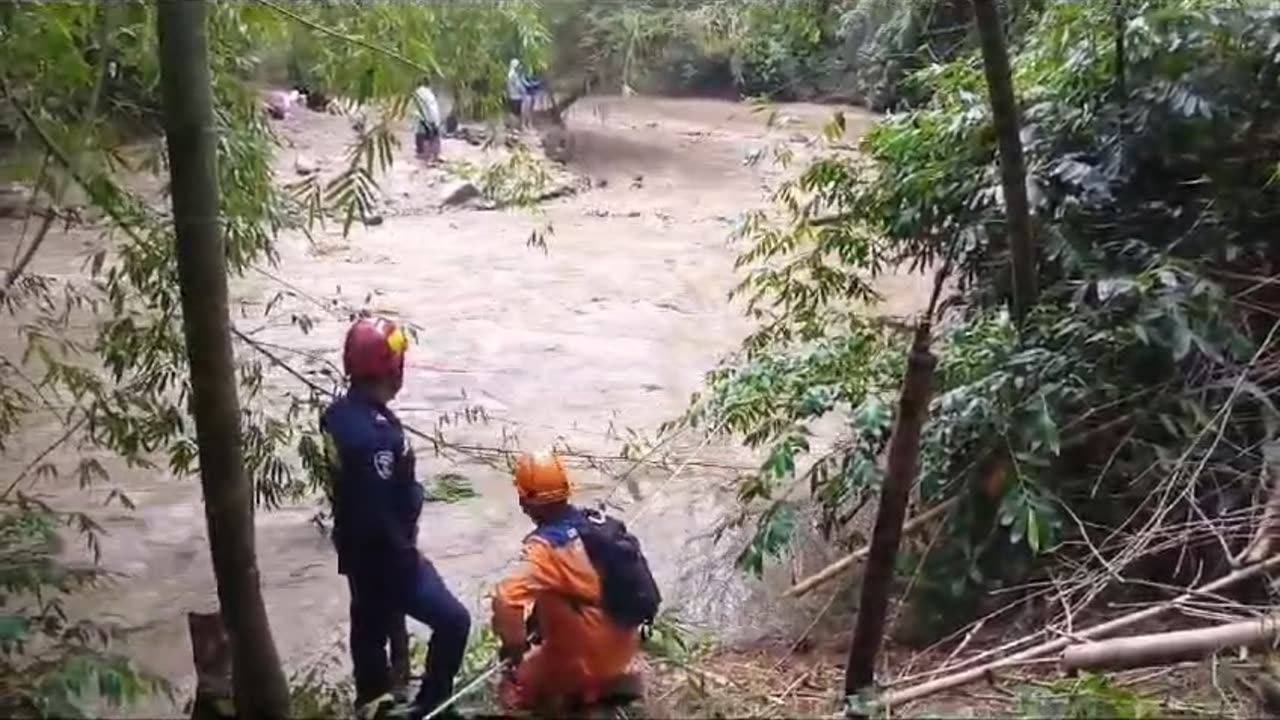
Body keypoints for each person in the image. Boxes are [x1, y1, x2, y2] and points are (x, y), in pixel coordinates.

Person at [322, 316, 471, 720]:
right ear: (391, 368)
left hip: (356, 556)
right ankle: (433, 706)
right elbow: (377, 508)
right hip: (387, 559)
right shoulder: (377, 438)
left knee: (369, 636)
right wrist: (405, 559)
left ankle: (373, 705)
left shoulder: (338, 416)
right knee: (454, 622)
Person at [491, 452, 657, 713]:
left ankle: (567, 696)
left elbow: (506, 600)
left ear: (524, 501)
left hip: (586, 660)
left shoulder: (543, 549)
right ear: (568, 490)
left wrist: (514, 648)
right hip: (625, 646)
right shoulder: (599, 525)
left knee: (513, 689)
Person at [412, 77, 443, 163]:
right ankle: (432, 157)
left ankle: (423, 156)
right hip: (428, 120)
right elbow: (432, 109)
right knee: (432, 137)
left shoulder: (415, 94)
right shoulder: (428, 94)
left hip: (419, 121)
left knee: (420, 137)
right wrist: (435, 122)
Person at [506, 59, 529, 131]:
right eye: (518, 65)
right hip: (515, 96)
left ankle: (515, 127)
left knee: (516, 112)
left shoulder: (511, 74)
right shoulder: (513, 75)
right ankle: (514, 128)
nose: (519, 67)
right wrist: (524, 91)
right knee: (514, 113)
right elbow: (518, 85)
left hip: (513, 95)